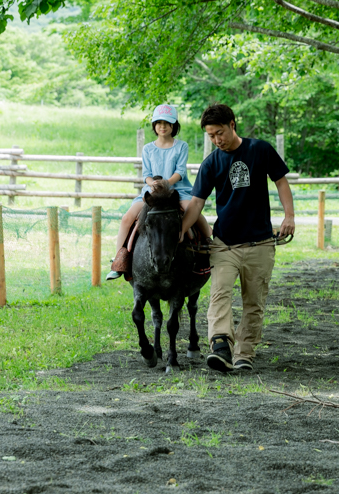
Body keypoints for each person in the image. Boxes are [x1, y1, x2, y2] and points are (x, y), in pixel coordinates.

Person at [181, 103, 295, 372]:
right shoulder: (211, 163)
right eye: (211, 135)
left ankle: (244, 353)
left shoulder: (260, 150)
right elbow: (197, 202)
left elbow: (281, 181)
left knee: (253, 302)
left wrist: (288, 216)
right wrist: (181, 229)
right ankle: (220, 346)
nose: (216, 140)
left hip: (261, 243)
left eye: (220, 133)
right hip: (225, 244)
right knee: (219, 293)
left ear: (232, 124)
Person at [107, 104, 212, 280]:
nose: (162, 126)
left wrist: (167, 183)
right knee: (127, 218)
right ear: (154, 126)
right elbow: (146, 174)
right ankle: (120, 259)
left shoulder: (181, 146)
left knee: (192, 210)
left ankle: (209, 243)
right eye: (159, 123)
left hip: (177, 189)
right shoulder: (148, 148)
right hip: (152, 192)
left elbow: (180, 172)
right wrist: (152, 184)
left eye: (167, 123)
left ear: (174, 126)